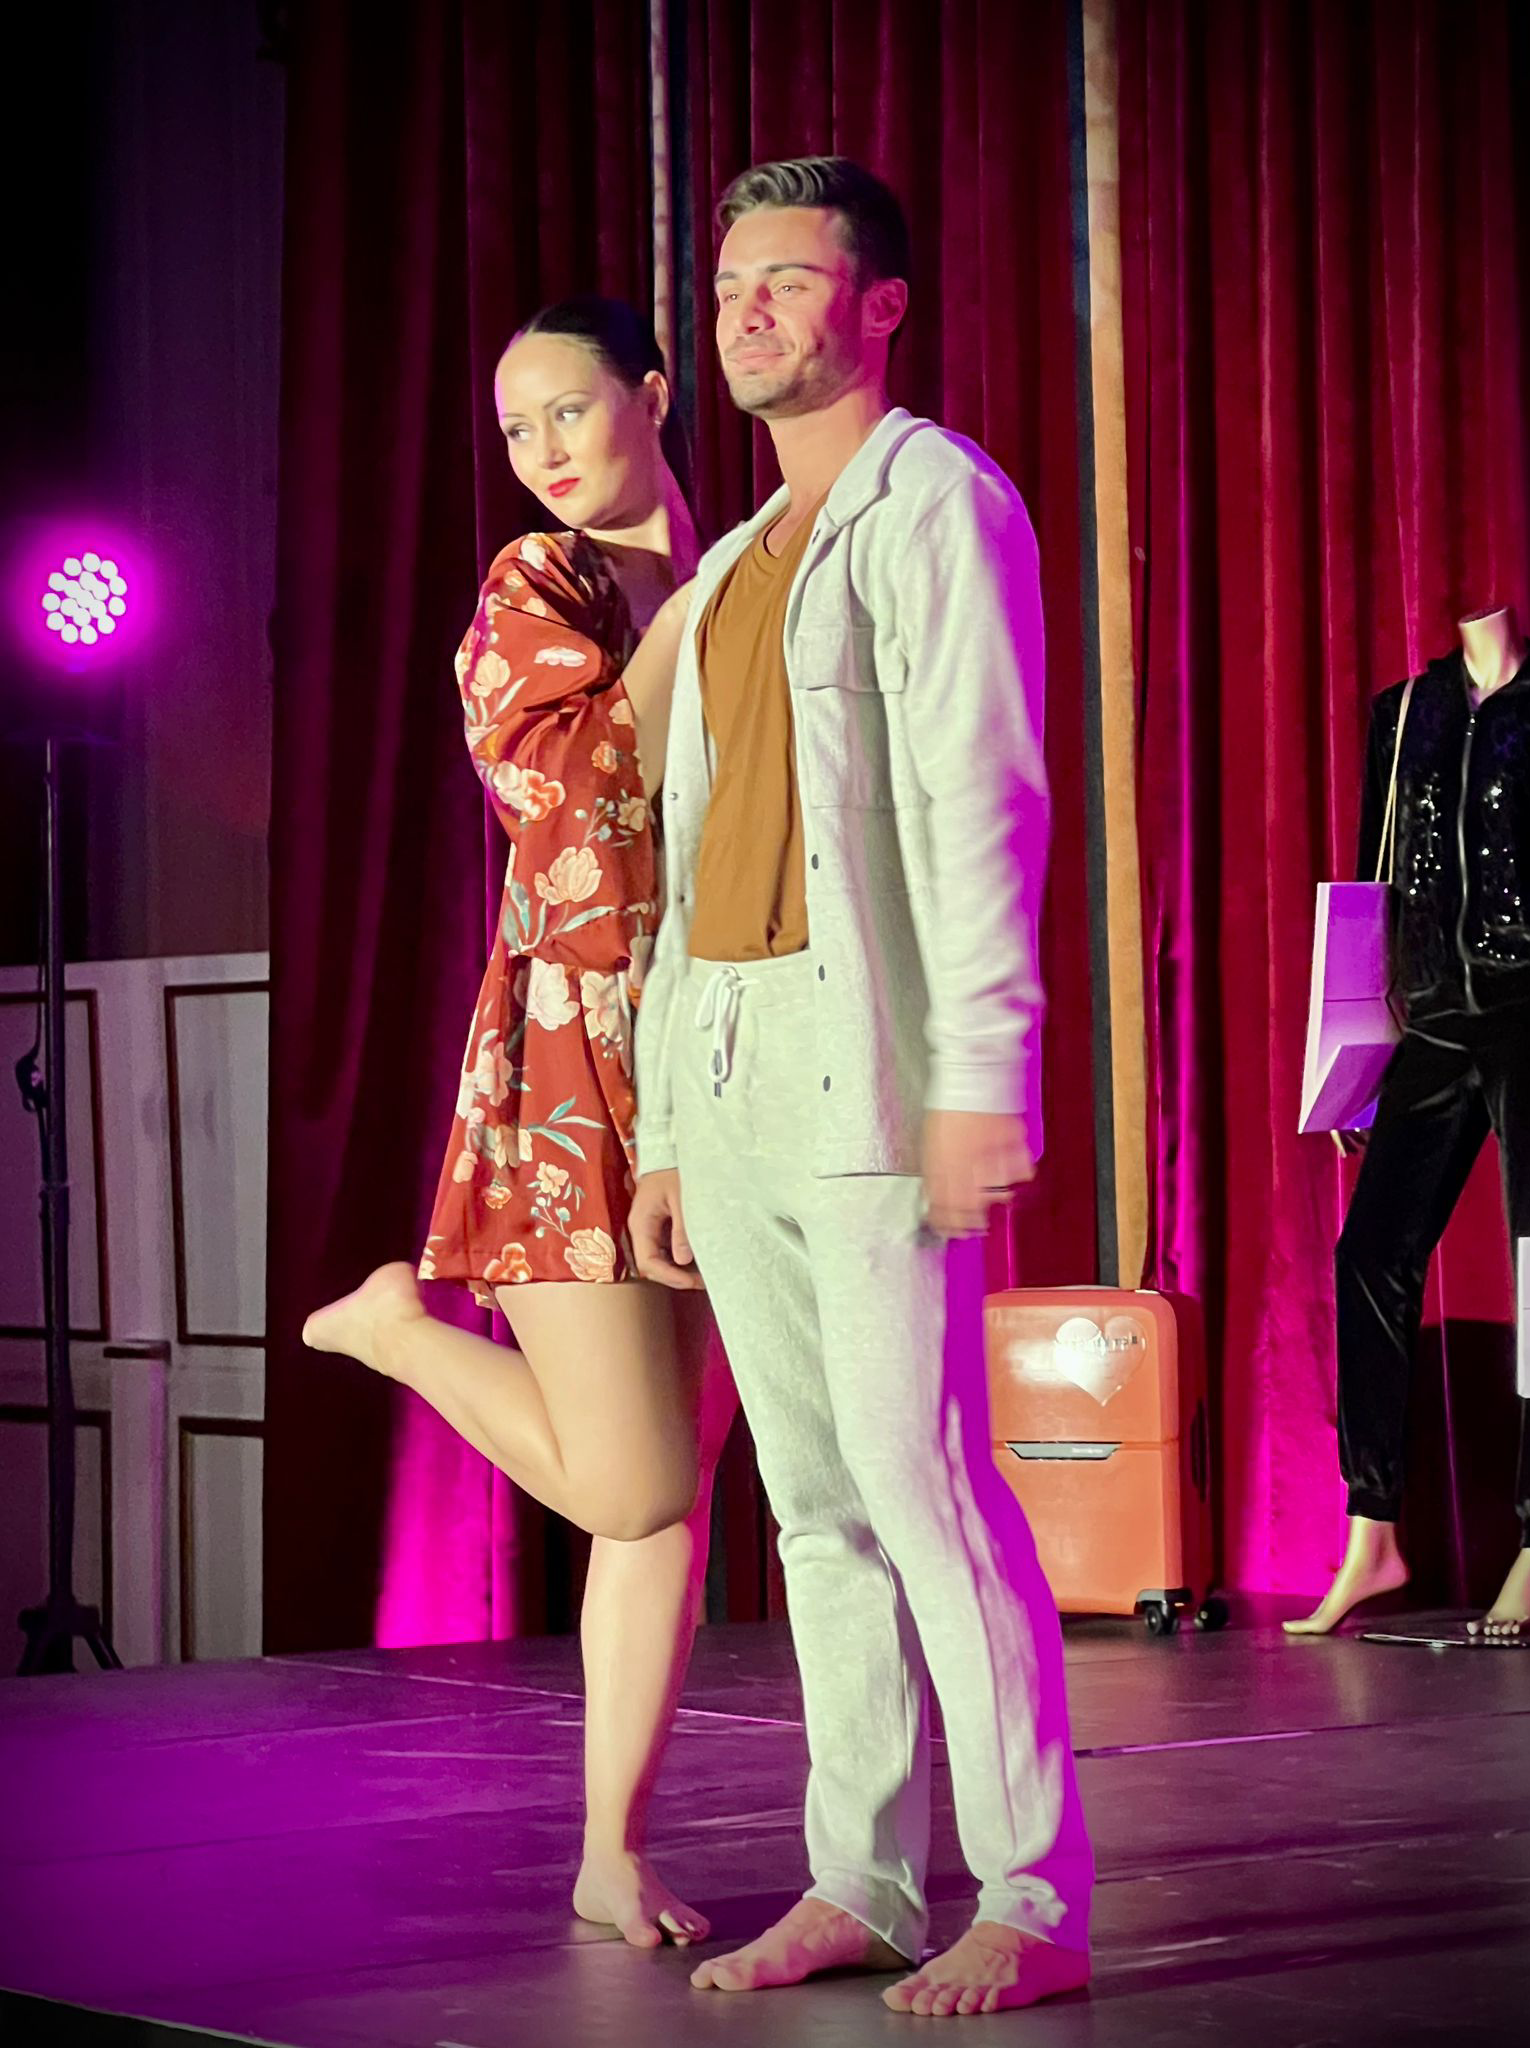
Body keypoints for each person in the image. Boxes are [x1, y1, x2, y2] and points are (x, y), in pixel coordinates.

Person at [629, 157, 1094, 2020]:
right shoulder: (737, 561)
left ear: (879, 304)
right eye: (727, 284)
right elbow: (685, 865)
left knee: (920, 1478)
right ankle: (866, 1877)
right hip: (735, 1056)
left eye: (788, 279)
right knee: (813, 1501)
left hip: (870, 1052)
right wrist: (669, 1128)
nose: (744, 311)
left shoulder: (935, 502)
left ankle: (1031, 1893)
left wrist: (979, 1066)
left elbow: (983, 794)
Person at [302, 297, 737, 1946]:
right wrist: (707, 613)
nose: (544, 450)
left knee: (674, 1499)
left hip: (731, 1054)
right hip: (574, 1068)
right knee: (629, 1486)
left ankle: (610, 1850)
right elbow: (580, 812)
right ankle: (398, 1330)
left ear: (653, 394)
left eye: (569, 409)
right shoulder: (539, 585)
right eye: (517, 427)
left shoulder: (737, 571)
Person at [1286, 604, 1530, 1641]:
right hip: (1431, 1017)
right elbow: (1373, 893)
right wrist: (1360, 1068)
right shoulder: (1403, 714)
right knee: (1370, 1252)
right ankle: (1372, 1531)